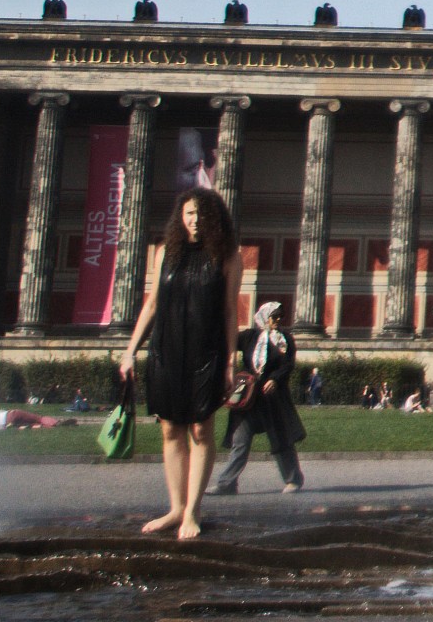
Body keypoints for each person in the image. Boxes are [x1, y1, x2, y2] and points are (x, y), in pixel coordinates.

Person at [119, 188, 242, 540]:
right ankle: (175, 508)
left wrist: (230, 363)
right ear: (180, 217)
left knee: (201, 430)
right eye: (189, 213)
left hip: (206, 352)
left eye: (202, 214)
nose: (195, 220)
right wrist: (130, 351)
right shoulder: (165, 253)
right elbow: (152, 305)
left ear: (214, 219)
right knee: (170, 430)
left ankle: (193, 510)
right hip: (166, 350)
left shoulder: (228, 257)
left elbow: (231, 311)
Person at [212, 303, 305, 496]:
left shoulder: (285, 339)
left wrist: (275, 379)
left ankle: (293, 480)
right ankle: (227, 483)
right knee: (240, 441)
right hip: (248, 399)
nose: (278, 320)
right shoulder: (249, 337)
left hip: (273, 399)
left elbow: (288, 365)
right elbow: (227, 342)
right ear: (264, 317)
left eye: (280, 316)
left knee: (281, 440)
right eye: (274, 316)